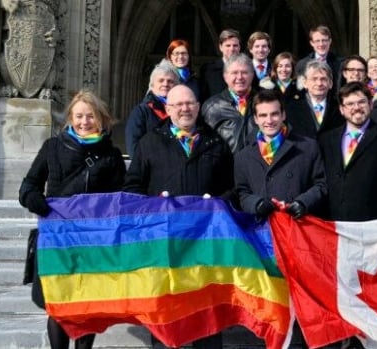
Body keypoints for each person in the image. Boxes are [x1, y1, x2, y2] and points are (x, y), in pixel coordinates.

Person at [123, 84, 233, 349]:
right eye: (178, 104)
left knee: (206, 315)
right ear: (168, 109)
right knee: (166, 317)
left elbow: (232, 188)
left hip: (204, 245)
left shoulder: (215, 142)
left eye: (190, 103)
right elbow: (132, 188)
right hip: (164, 245)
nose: (185, 109)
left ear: (198, 106)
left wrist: (217, 203)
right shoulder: (150, 142)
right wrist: (152, 208)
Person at [19, 90, 126, 349]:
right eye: (79, 116)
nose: (84, 121)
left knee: (87, 306)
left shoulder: (111, 156)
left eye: (90, 116)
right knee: (58, 304)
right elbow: (29, 186)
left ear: (101, 119)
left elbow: (120, 199)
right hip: (57, 240)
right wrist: (38, 202)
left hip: (92, 242)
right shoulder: (52, 147)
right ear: (69, 118)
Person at [319, 81, 377, 221]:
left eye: (361, 102)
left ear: (371, 104)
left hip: (372, 228)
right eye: (350, 104)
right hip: (334, 227)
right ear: (341, 109)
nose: (356, 108)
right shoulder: (327, 140)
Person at [234, 89, 326, 220]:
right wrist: (257, 204)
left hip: (297, 225)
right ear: (255, 119)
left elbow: (321, 185)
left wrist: (302, 203)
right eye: (263, 115)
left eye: (274, 114)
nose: (269, 120)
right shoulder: (243, 156)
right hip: (262, 230)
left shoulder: (308, 147)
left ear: (283, 115)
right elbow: (242, 192)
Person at [201, 53, 258, 154]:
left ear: (252, 75)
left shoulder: (264, 102)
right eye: (234, 73)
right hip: (226, 167)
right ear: (225, 76)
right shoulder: (212, 106)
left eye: (244, 72)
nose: (240, 77)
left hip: (258, 166)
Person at [125, 59, 179, 158]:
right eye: (161, 80)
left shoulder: (182, 111)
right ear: (152, 85)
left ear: (177, 86)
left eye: (170, 81)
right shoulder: (141, 112)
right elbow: (134, 148)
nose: (165, 84)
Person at [285, 60, 344, 139]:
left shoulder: (340, 108)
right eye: (314, 79)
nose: (319, 83)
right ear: (305, 83)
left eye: (323, 79)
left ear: (330, 84)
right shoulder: (292, 108)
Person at [295, 25, 342, 94]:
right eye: (317, 41)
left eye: (324, 40)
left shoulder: (340, 63)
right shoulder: (302, 64)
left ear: (330, 41)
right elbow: (300, 89)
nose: (321, 44)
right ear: (312, 43)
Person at [199, 28, 241, 101]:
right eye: (228, 45)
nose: (232, 49)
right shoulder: (208, 70)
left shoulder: (247, 69)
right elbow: (203, 98)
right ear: (220, 47)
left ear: (239, 47)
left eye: (235, 45)